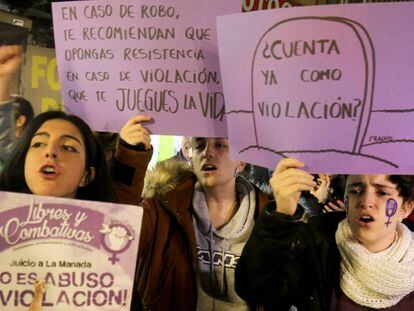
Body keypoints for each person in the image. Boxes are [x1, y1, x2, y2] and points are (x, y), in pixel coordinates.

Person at [235, 158, 414, 310]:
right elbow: (256, 290)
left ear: (406, 208)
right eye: (355, 191)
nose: (365, 201)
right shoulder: (316, 241)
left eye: (382, 192)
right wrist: (281, 213)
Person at [0, 44, 153, 204]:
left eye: (68, 147)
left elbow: (121, 198)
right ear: (22, 163)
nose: (50, 151)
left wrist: (131, 151)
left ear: (86, 176)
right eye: (38, 144)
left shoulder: (106, 225)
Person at [133, 137, 270, 310]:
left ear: (241, 161)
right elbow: (116, 235)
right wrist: (131, 158)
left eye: (220, 145)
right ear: (191, 157)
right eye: (199, 145)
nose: (207, 153)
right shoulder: (160, 206)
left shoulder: (266, 217)